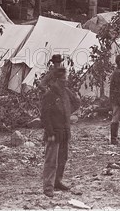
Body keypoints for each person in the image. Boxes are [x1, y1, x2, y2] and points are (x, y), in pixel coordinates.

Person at [41, 67, 80, 198]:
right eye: (62, 79)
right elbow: (45, 116)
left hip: (64, 131)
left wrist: (68, 111)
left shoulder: (65, 93)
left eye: (65, 79)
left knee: (63, 158)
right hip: (54, 133)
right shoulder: (49, 95)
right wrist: (50, 132)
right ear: (55, 80)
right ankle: (48, 187)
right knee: (51, 161)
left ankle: (57, 182)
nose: (65, 81)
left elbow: (76, 103)